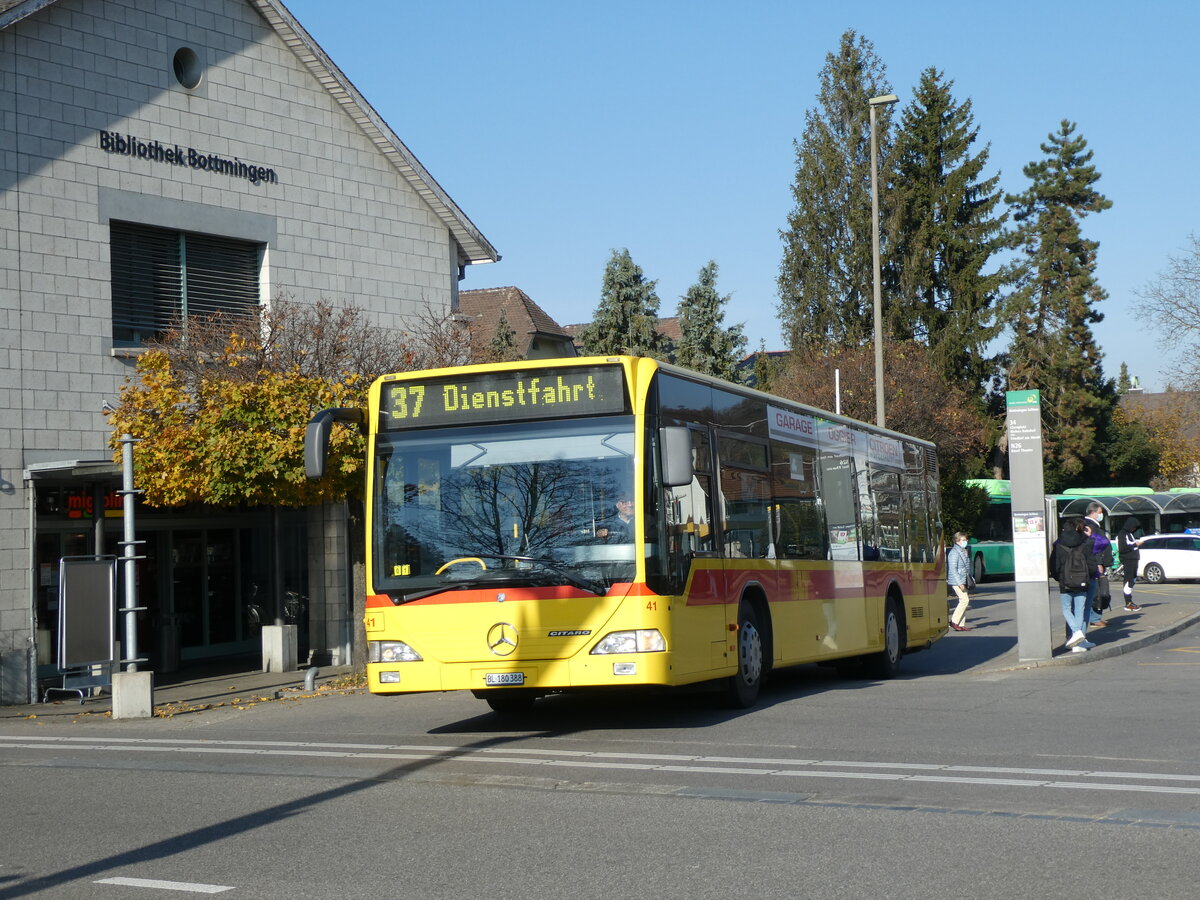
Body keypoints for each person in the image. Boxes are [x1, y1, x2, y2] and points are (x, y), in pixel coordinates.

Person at [1052, 519, 1097, 653]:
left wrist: (1058, 578)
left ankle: (1076, 633)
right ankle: (1079, 643)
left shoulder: (1059, 545)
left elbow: (1054, 566)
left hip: (1065, 582)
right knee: (1080, 611)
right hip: (1082, 582)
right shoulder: (1084, 543)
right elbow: (1092, 565)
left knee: (1066, 609)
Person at [1082, 502, 1111, 630]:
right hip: (1095, 564)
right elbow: (1094, 546)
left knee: (1098, 591)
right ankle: (1094, 618)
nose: (1101, 515)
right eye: (1100, 512)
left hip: (1096, 563)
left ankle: (1095, 617)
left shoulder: (1092, 525)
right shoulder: (1090, 526)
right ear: (1093, 512)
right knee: (1097, 591)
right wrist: (1099, 562)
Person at [1116, 517, 1144, 611]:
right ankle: (1128, 603)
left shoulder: (1129, 534)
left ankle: (1130, 601)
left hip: (1133, 559)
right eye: (1133, 527)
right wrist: (1135, 545)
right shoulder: (1122, 534)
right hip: (1128, 560)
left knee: (1133, 579)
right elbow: (1123, 548)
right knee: (1128, 580)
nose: (1134, 529)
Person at [946, 531, 973, 631]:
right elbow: (953, 569)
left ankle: (961, 624)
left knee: (964, 600)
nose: (966, 541)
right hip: (957, 580)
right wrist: (960, 583)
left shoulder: (962, 550)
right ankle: (954, 621)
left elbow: (966, 568)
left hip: (963, 579)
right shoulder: (954, 552)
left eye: (966, 539)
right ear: (957, 541)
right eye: (964, 540)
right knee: (965, 600)